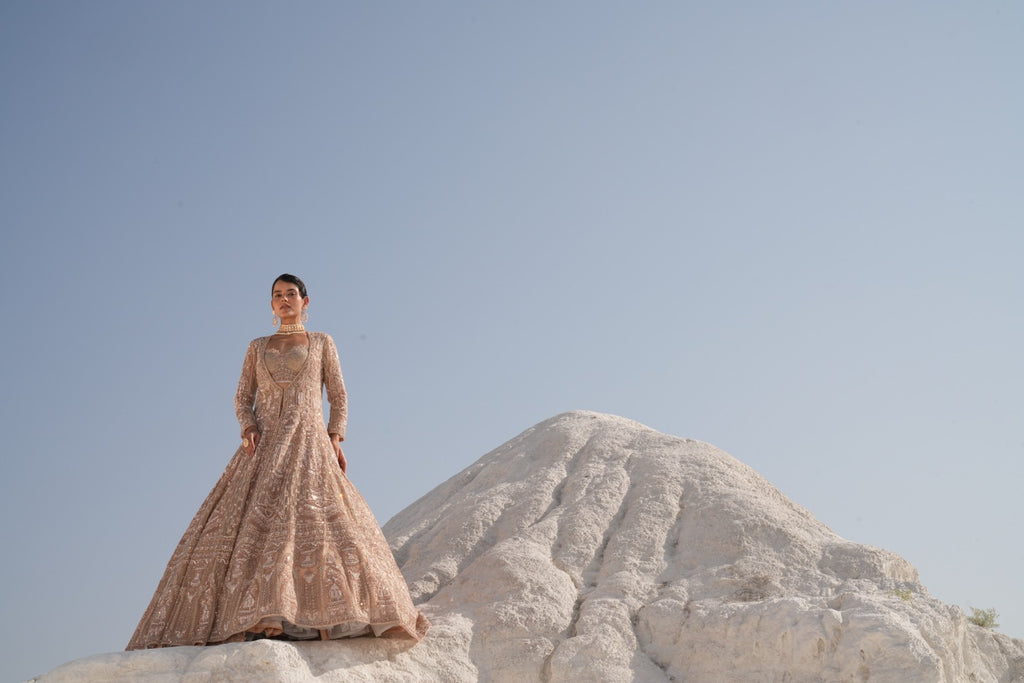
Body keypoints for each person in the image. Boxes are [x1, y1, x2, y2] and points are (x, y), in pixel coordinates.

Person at [127, 274, 429, 648]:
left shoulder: (321, 342)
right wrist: (248, 426)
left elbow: (338, 394)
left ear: (305, 300)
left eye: (291, 294)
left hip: (308, 442)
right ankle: (258, 615)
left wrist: (335, 438)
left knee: (313, 519)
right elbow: (241, 397)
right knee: (253, 525)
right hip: (265, 446)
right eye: (277, 296)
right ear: (271, 305)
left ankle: (325, 613)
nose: (284, 300)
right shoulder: (256, 347)